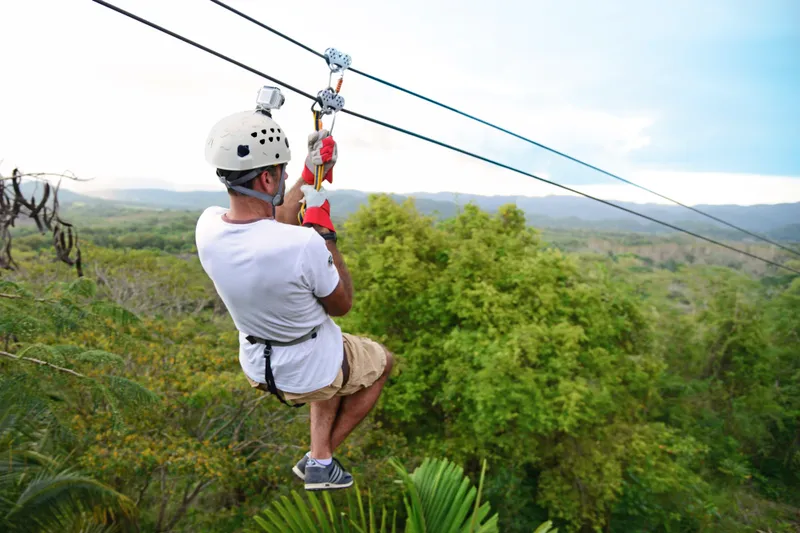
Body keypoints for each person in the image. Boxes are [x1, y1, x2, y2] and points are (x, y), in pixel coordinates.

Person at [194, 105, 393, 491]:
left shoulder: (207, 226)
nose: (286, 179)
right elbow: (343, 304)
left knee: (330, 344)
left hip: (258, 364)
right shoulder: (303, 243)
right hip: (310, 366)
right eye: (282, 172)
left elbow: (273, 225)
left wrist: (308, 172)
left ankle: (320, 454)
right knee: (379, 361)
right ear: (268, 179)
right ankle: (321, 460)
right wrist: (326, 236)